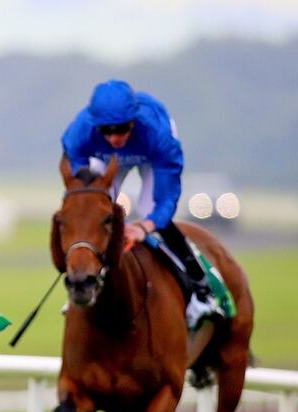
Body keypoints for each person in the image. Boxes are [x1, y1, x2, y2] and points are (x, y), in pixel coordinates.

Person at [61, 79, 223, 329]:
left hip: (150, 156)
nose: (115, 138)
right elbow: (78, 182)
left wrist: (146, 226)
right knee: (96, 210)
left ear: (133, 121)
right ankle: (86, 282)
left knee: (149, 210)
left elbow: (166, 200)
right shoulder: (79, 133)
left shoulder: (158, 135)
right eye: (107, 130)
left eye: (122, 129)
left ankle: (201, 288)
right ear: (95, 126)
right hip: (106, 161)